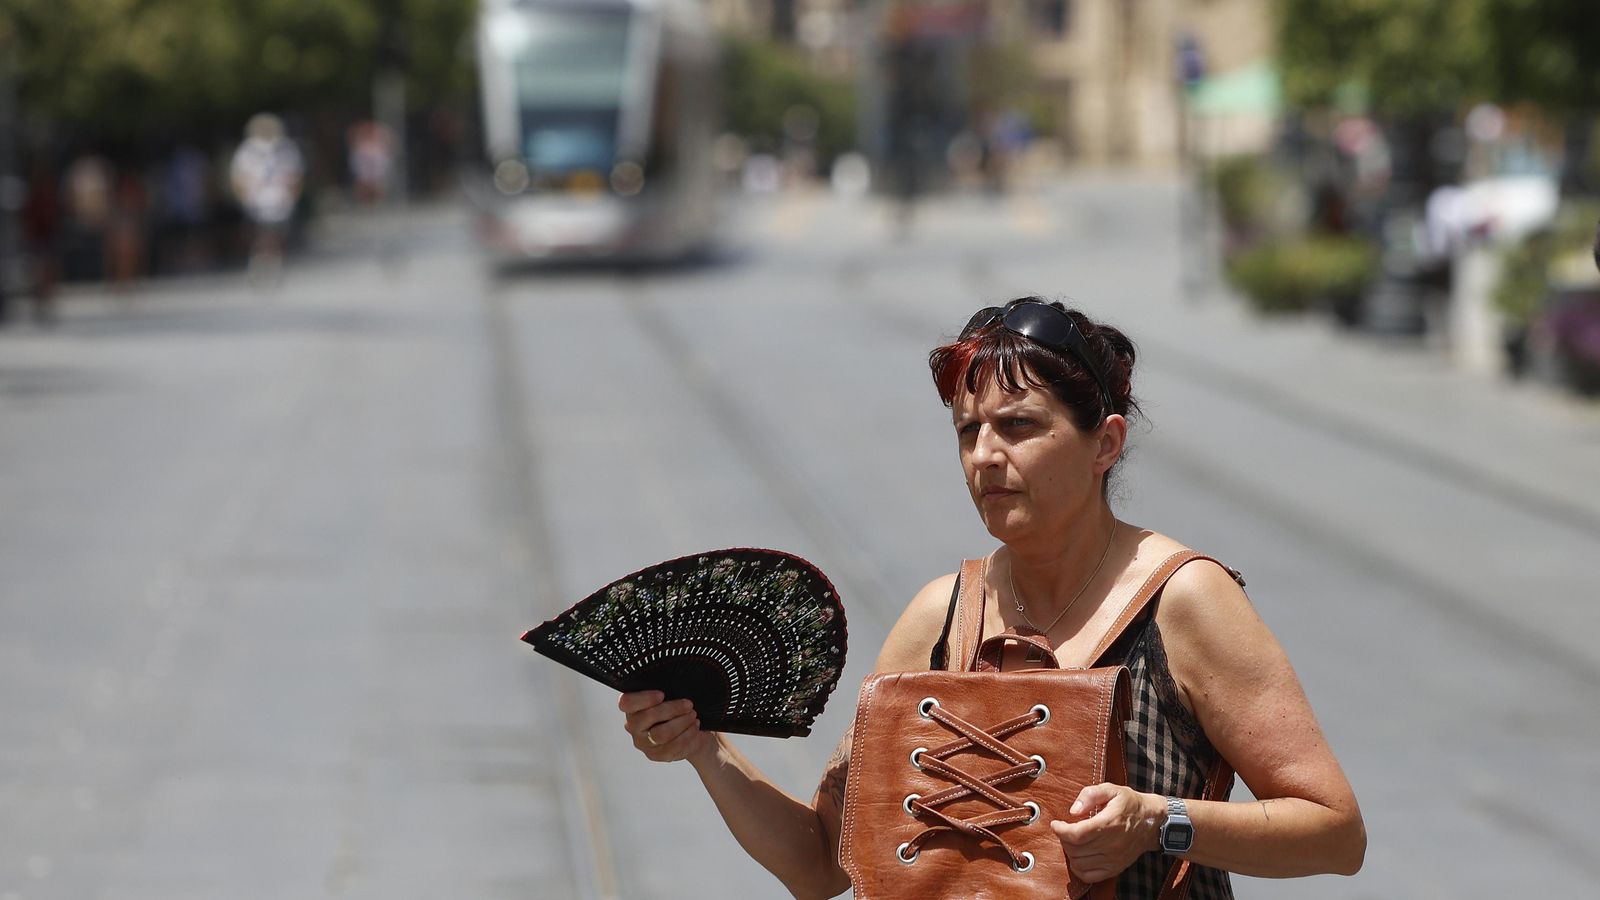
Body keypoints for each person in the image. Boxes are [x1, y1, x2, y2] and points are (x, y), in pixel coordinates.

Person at [617, 297, 1366, 898]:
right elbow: (820, 866)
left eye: (1018, 427)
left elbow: (1336, 833)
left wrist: (1158, 822)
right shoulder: (938, 619)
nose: (984, 457)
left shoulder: (1184, 600)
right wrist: (702, 748)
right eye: (967, 431)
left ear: (1104, 444)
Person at [229, 113, 303, 279]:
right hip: (255, 202)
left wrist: (290, 198)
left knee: (277, 235)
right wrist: (245, 198)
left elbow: (296, 175)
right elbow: (238, 177)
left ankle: (275, 264)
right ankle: (259, 263)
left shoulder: (287, 149)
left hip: (280, 202)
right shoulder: (247, 151)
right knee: (259, 236)